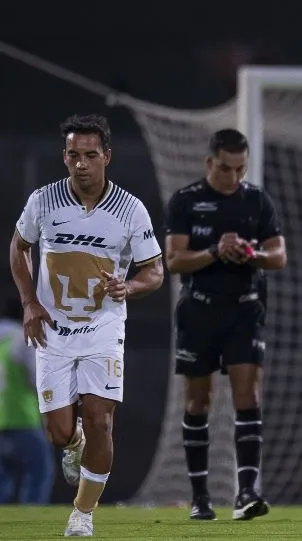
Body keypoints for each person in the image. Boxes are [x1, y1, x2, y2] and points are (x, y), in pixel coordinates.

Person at [10, 114, 164, 535]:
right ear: (64, 157)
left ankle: (83, 513)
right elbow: (19, 247)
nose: (81, 163)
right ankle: (73, 442)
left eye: (90, 155)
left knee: (101, 420)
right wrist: (29, 302)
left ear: (106, 157)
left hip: (103, 329)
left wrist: (129, 286)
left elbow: (155, 271)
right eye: (73, 155)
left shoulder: (130, 210)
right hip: (52, 331)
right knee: (58, 433)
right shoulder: (43, 201)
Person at [164, 129, 287, 521]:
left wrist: (251, 253)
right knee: (198, 402)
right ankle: (200, 498)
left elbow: (278, 255)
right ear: (209, 163)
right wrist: (216, 251)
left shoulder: (257, 200)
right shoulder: (186, 201)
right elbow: (174, 261)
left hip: (244, 311)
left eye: (240, 169)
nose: (233, 177)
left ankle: (246, 493)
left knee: (248, 396)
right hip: (199, 311)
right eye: (225, 168)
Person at [0, 295, 54, 504]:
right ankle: (31, 517)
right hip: (22, 419)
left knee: (3, 480)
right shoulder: (22, 339)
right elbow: (36, 379)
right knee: (39, 473)